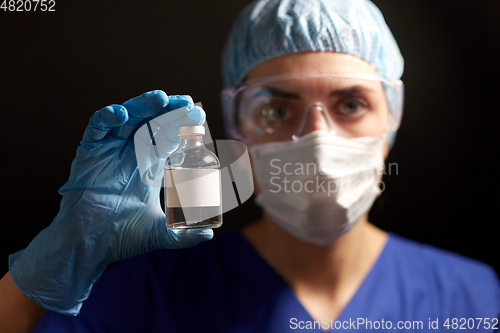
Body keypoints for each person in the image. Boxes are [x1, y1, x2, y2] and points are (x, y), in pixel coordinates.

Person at [1, 0, 499, 332]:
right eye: (278, 110)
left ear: (390, 122)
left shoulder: (474, 298)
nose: (318, 142)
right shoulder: (147, 295)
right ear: (238, 129)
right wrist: (43, 275)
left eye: (350, 105)